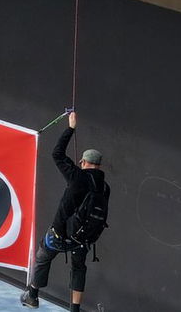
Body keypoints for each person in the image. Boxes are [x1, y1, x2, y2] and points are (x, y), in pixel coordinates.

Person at [20, 111, 109, 311]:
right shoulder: (105, 187)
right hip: (83, 239)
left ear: (84, 163)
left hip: (61, 233)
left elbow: (57, 153)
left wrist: (71, 127)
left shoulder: (76, 176)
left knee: (43, 257)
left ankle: (32, 296)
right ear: (99, 165)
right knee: (79, 268)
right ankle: (75, 309)